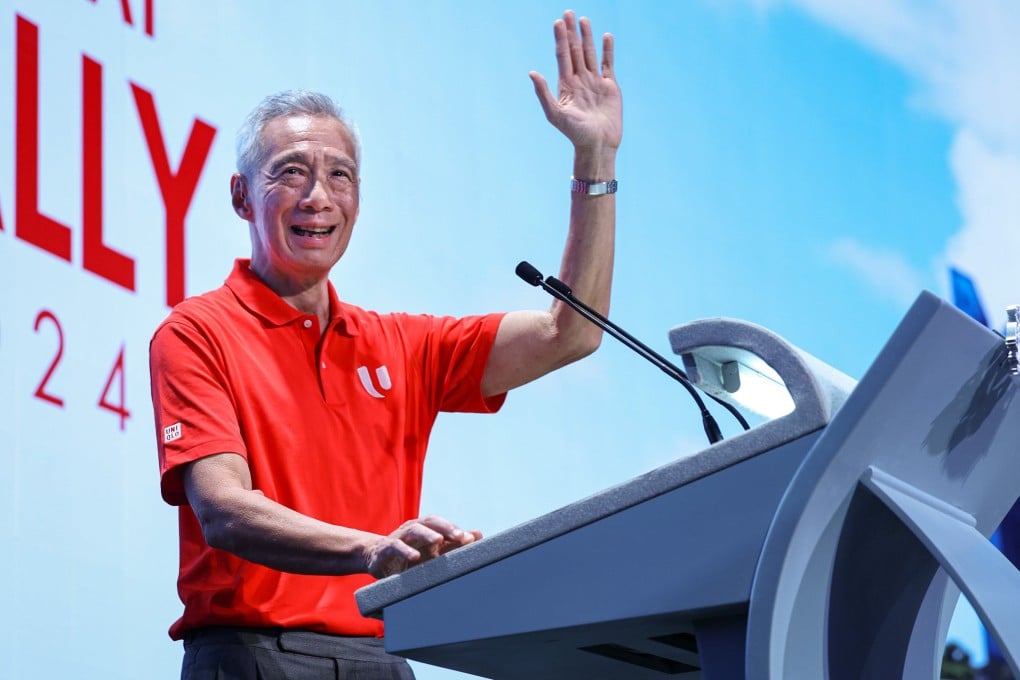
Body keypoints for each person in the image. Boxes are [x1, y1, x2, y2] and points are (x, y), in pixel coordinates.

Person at [149, 9, 622, 679]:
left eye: (340, 176)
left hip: (384, 658)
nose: (319, 196)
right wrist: (373, 549)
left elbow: (570, 333)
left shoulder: (402, 344)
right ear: (241, 196)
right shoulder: (197, 332)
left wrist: (594, 157)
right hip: (251, 656)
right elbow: (224, 510)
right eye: (291, 172)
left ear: (359, 200)